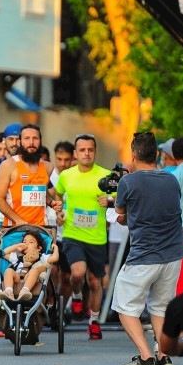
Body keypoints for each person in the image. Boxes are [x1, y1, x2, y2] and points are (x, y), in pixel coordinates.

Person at [111, 131, 183, 365]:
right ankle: (163, 355)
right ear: (156, 155)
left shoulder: (128, 181)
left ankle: (145, 356)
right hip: (173, 254)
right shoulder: (172, 181)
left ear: (133, 154)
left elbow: (121, 214)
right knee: (161, 307)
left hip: (144, 255)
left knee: (124, 306)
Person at [54, 133, 112, 340]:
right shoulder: (66, 176)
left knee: (96, 283)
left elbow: (120, 201)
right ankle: (77, 295)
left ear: (95, 152)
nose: (86, 153)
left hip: (97, 237)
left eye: (90, 150)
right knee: (77, 273)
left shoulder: (106, 175)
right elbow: (56, 195)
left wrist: (110, 202)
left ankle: (94, 321)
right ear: (76, 153)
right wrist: (59, 210)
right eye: (82, 150)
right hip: (73, 234)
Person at [1, 231, 58, 300]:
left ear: (39, 248)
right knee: (9, 270)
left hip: (31, 279)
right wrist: (16, 246)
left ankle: (25, 291)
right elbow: (3, 253)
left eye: (31, 242)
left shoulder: (42, 256)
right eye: (24, 242)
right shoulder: (18, 256)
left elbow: (54, 258)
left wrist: (55, 248)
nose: (27, 244)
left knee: (35, 271)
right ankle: (8, 291)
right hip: (17, 278)